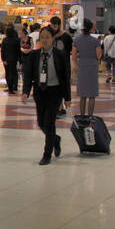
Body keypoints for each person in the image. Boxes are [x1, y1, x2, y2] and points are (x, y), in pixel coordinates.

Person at [22, 28, 71, 165]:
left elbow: (66, 78)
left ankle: (47, 154)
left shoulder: (60, 55)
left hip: (55, 92)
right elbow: (29, 76)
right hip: (40, 92)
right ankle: (55, 139)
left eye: (47, 37)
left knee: (49, 123)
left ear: (52, 39)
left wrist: (67, 98)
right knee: (41, 123)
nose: (44, 40)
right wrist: (25, 91)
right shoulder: (34, 55)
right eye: (42, 37)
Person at [72, 19, 103, 116]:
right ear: (91, 29)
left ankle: (82, 116)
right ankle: (90, 116)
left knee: (82, 95)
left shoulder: (77, 40)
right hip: (92, 66)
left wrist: (76, 65)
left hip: (82, 65)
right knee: (92, 94)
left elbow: (73, 56)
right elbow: (99, 56)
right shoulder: (95, 41)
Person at [0, 24, 22, 94]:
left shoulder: (5, 40)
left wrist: (3, 59)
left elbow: (2, 50)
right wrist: (20, 59)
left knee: (8, 73)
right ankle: (14, 87)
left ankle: (9, 87)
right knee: (13, 73)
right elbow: (18, 50)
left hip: (6, 59)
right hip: (14, 59)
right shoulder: (17, 40)